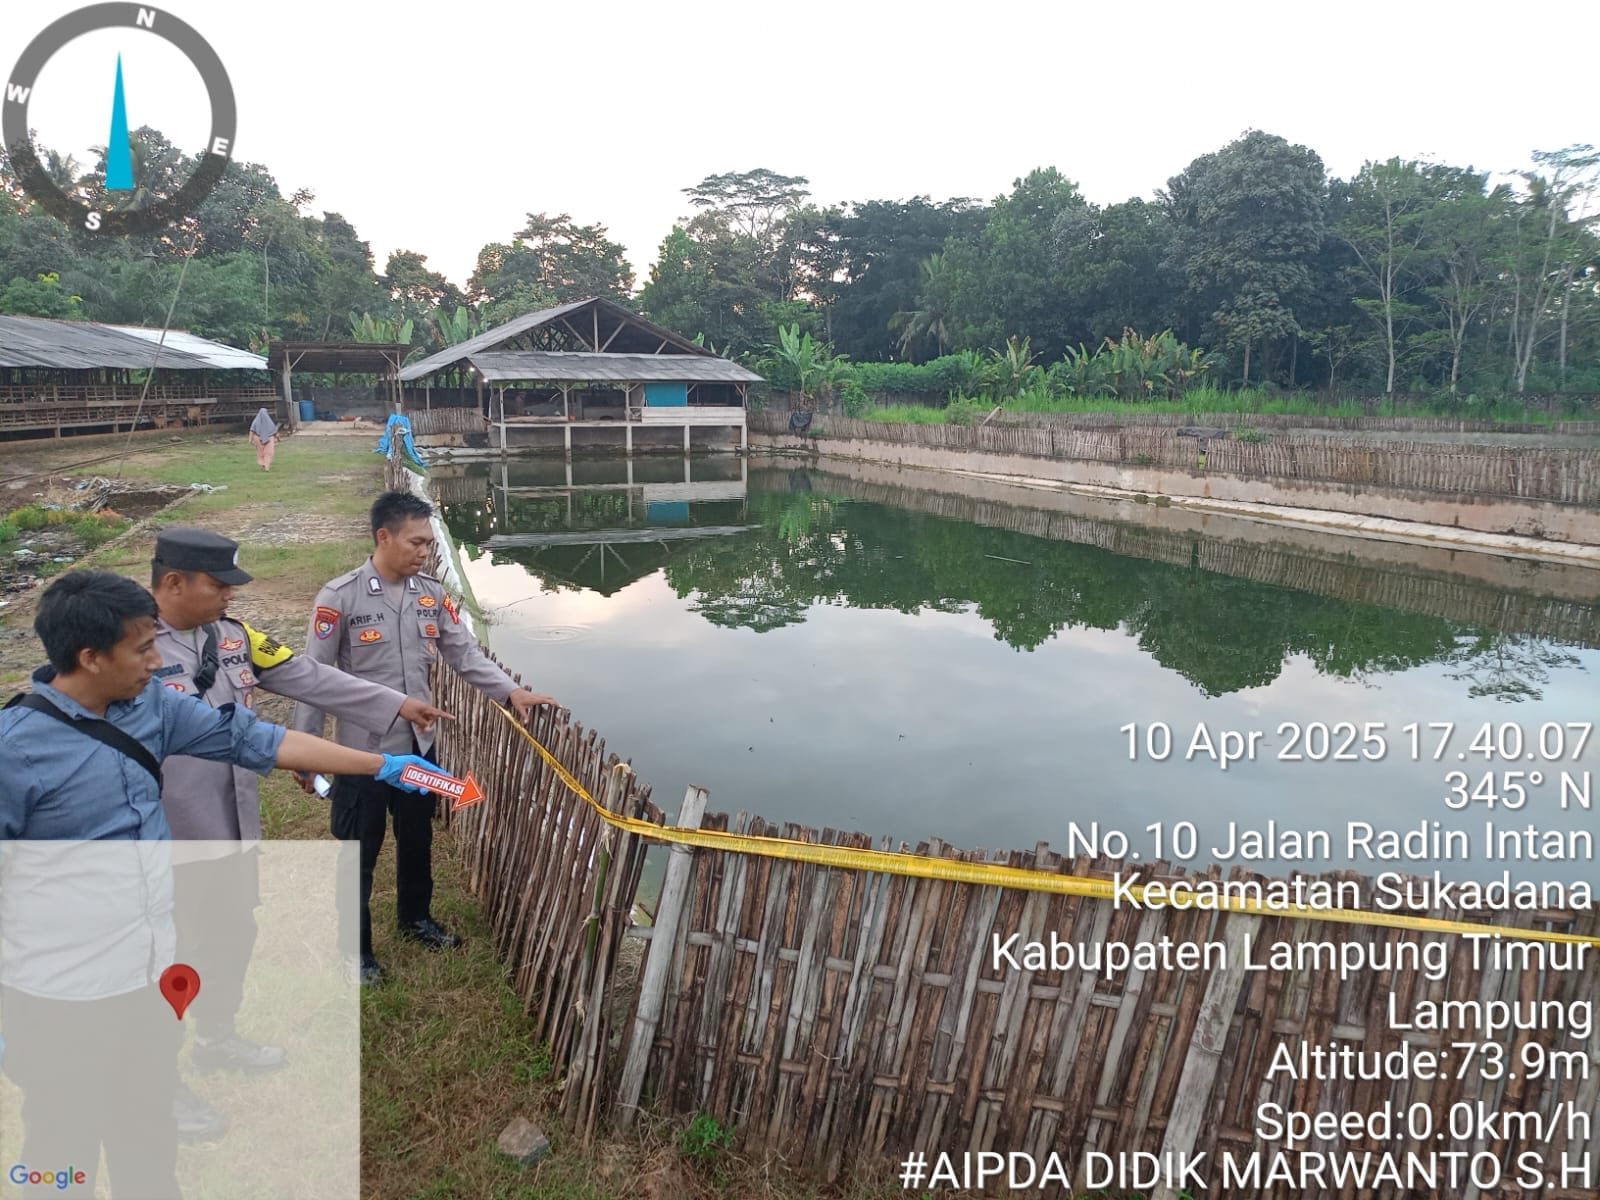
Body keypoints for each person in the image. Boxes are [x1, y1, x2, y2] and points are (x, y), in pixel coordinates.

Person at [0, 570, 441, 1198]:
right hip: (61, 1000)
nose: (156, 662)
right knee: (59, 1146)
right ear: (90, 658)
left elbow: (252, 738)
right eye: (142, 649)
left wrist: (384, 765)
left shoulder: (149, 707)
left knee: (147, 1134)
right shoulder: (15, 753)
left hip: (145, 981)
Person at [149, 527, 451, 1135]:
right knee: (168, 955)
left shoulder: (232, 638)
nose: (229, 597)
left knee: (232, 936)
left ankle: (217, 1037)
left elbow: (309, 677)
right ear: (173, 582)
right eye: (218, 585)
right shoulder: (127, 647)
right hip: (167, 833)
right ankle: (157, 1085)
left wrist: (393, 705)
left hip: (231, 823)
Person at [292, 491, 554, 986]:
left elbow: (465, 655)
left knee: (417, 839)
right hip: (359, 756)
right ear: (383, 536)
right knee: (357, 852)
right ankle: (356, 952)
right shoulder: (339, 598)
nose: (424, 552)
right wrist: (306, 753)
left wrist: (514, 692)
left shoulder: (429, 594)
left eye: (429, 544)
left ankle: (416, 918)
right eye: (416, 542)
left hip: (417, 748)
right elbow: (311, 680)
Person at [249, 406, 279, 471]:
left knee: (262, 452)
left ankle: (264, 464)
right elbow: (274, 431)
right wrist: (278, 438)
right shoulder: (269, 421)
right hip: (268, 438)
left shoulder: (255, 421)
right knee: (268, 452)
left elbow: (252, 430)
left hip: (258, 437)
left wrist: (250, 440)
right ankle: (266, 466)